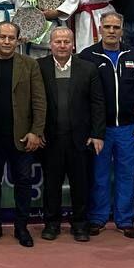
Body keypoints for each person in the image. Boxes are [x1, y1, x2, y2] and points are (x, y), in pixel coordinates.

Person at [80, 12, 134, 237]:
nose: (111, 31)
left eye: (116, 27)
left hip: (128, 128)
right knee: (99, 176)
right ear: (100, 28)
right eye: (107, 26)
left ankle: (125, 220)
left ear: (122, 30)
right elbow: (82, 95)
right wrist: (90, 128)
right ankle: (97, 218)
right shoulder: (88, 56)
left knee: (126, 176)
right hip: (100, 130)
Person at [37, 27, 105, 242]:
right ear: (50, 44)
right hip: (50, 138)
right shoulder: (39, 67)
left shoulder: (88, 68)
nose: (62, 45)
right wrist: (36, 131)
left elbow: (97, 104)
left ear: (73, 44)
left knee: (80, 185)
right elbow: (32, 102)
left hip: (81, 139)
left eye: (66, 41)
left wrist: (97, 134)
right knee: (51, 185)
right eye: (58, 41)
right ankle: (51, 224)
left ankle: (80, 225)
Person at [0, 20, 45, 247]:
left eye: (11, 38)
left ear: (18, 41)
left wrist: (36, 132)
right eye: (3, 37)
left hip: (22, 136)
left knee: (24, 182)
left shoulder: (30, 64)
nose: (7, 41)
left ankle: (21, 227)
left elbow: (39, 101)